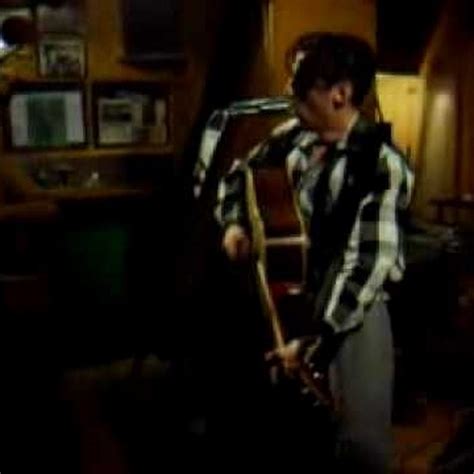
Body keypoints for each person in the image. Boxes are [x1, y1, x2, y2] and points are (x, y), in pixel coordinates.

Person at [215, 32, 414, 472]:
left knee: (360, 447)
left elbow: (365, 267)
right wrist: (235, 221)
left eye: (302, 79)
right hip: (291, 298)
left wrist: (315, 341)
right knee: (294, 435)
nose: (289, 89)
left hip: (353, 313)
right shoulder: (290, 139)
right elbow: (238, 176)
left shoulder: (381, 164)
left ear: (340, 93)